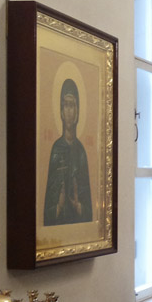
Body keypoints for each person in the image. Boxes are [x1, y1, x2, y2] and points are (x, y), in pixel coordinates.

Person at [43, 77, 93, 225]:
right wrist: (58, 206)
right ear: (61, 111)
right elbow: (47, 212)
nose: (69, 110)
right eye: (66, 105)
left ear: (77, 111)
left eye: (72, 105)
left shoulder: (81, 152)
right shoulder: (56, 150)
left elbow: (89, 211)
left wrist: (78, 206)